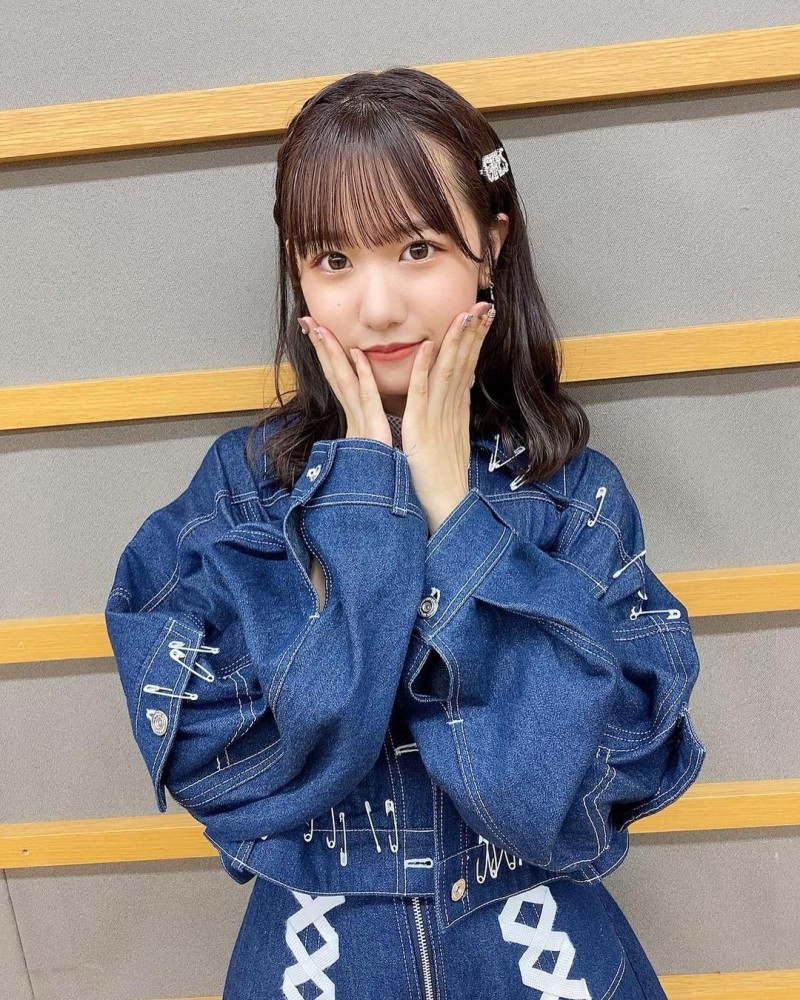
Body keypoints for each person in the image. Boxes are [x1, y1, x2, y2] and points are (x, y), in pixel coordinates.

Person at [105, 66, 707, 999]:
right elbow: (236, 771)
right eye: (331, 260)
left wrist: (450, 505)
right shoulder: (239, 495)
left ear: (490, 246)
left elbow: (557, 791)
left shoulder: (573, 495)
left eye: (417, 248)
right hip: (311, 967)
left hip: (547, 964)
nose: (377, 306)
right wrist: (366, 506)